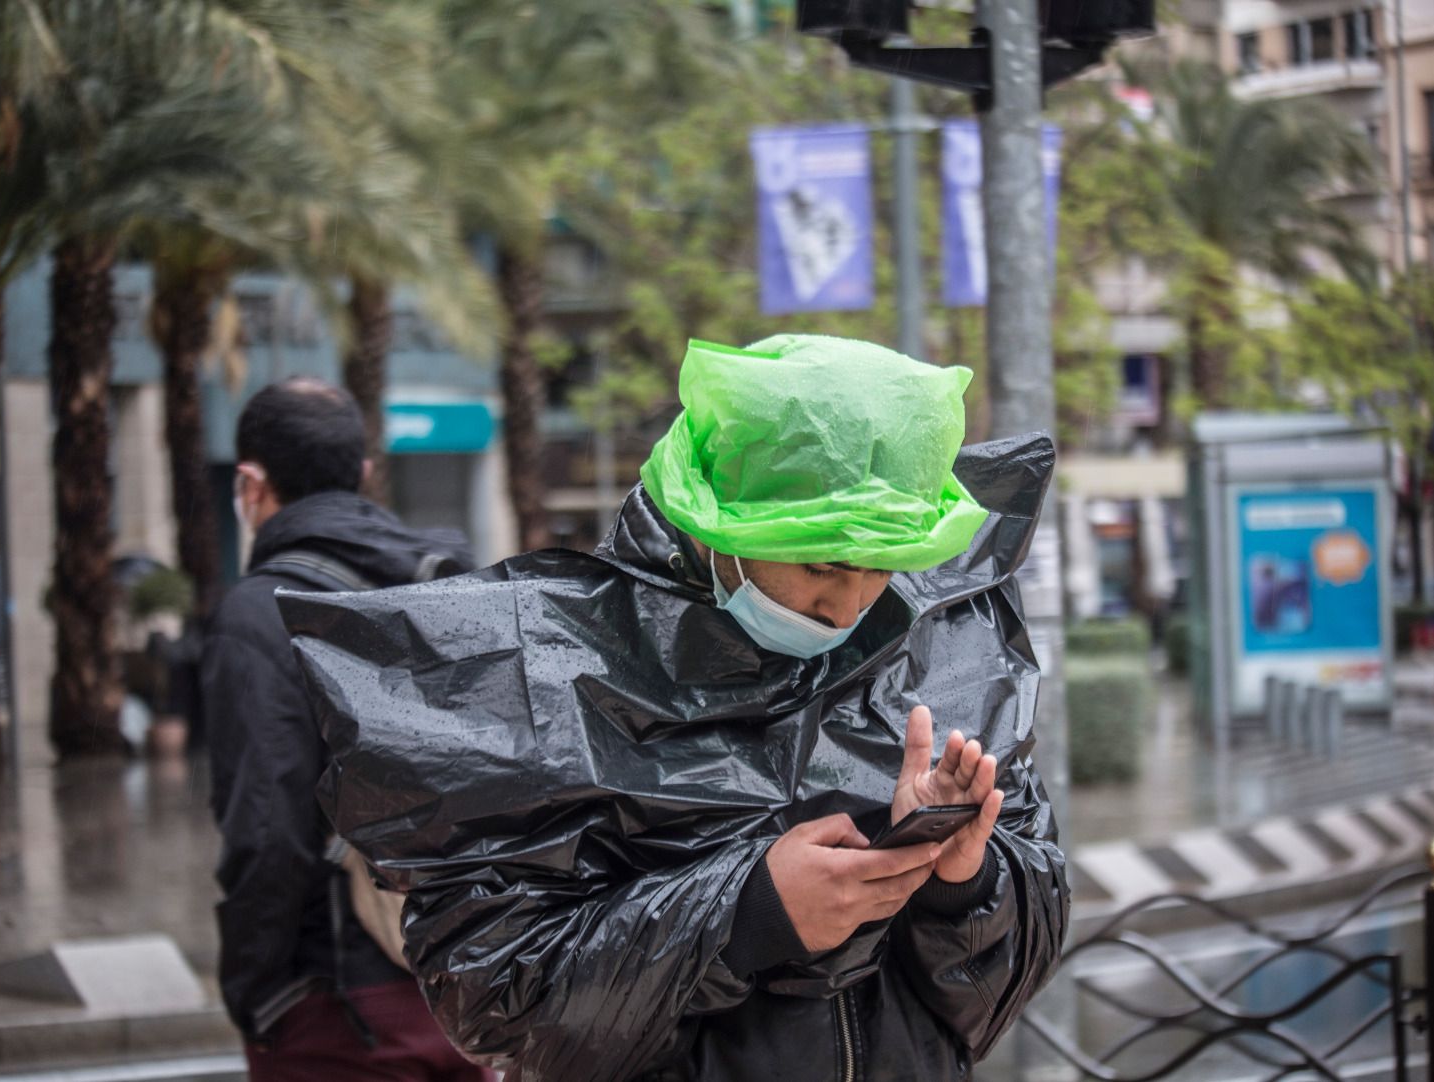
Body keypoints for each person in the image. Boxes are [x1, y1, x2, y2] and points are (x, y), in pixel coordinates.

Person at [283, 336, 1070, 1081]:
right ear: (718, 522)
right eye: (823, 564)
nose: (850, 605)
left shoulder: (938, 646)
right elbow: (497, 999)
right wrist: (749, 916)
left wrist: (962, 878)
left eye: (884, 568)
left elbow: (992, 990)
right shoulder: (556, 678)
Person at [202, 377, 489, 1082]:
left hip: (337, 1004)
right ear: (362, 474)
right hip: (468, 991)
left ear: (250, 482)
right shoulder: (450, 586)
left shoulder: (258, 614)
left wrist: (258, 995)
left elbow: (266, 831)